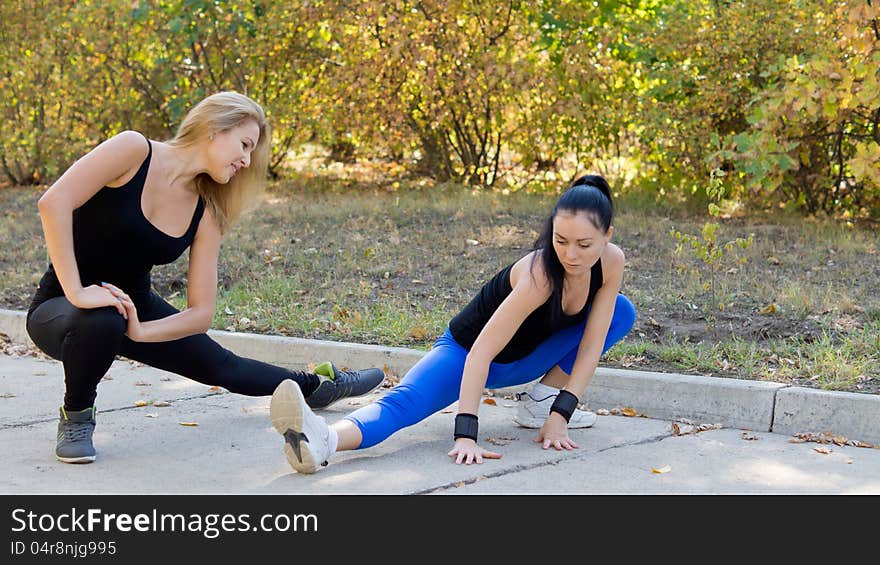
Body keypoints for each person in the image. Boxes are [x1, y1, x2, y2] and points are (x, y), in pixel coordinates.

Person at [27, 91, 385, 464]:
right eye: (244, 145)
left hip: (132, 308)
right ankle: (77, 415)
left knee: (223, 366)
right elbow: (54, 202)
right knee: (102, 315)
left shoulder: (207, 211)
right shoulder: (133, 151)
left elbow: (201, 314)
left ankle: (318, 386)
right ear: (215, 128)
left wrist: (142, 331)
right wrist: (79, 291)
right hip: (62, 308)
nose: (246, 161)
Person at [269, 174, 637, 474]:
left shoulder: (611, 263)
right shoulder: (540, 274)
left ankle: (541, 401)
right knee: (405, 404)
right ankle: (322, 440)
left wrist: (561, 415)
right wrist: (465, 434)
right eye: (561, 240)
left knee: (622, 312)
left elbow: (591, 345)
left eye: (584, 244)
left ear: (608, 236)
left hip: (526, 360)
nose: (571, 254)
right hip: (466, 354)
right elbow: (481, 353)